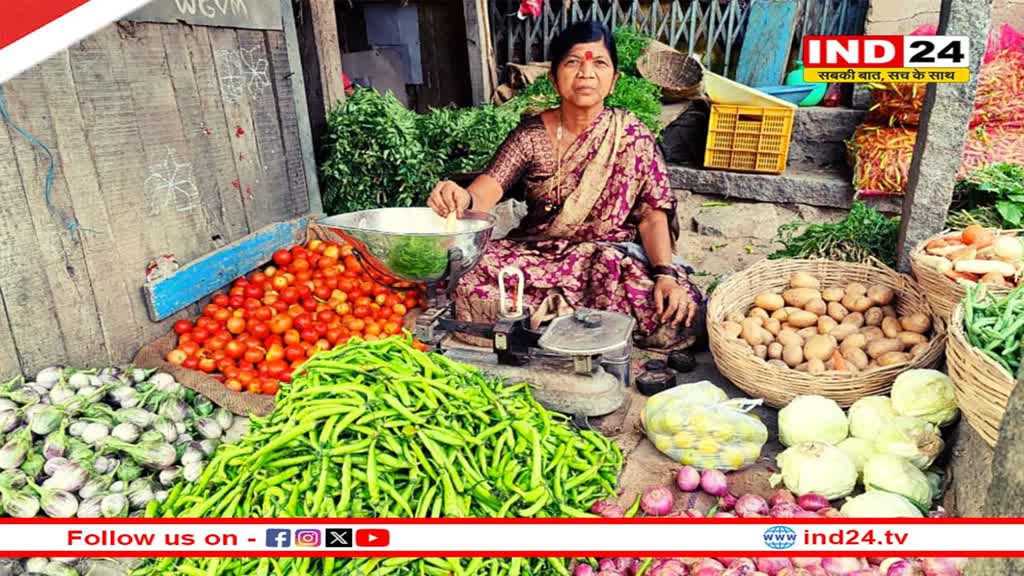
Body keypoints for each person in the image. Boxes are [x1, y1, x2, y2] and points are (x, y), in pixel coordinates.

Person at [427, 21, 704, 351]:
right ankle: (572, 325)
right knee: (465, 273)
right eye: (573, 62)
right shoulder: (531, 136)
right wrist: (461, 196)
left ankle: (542, 322)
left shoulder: (632, 135)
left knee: (676, 312)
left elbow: (652, 215)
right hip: (539, 254)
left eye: (599, 62)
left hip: (608, 260)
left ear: (613, 81)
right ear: (554, 79)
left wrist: (665, 275)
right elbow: (486, 191)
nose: (586, 72)